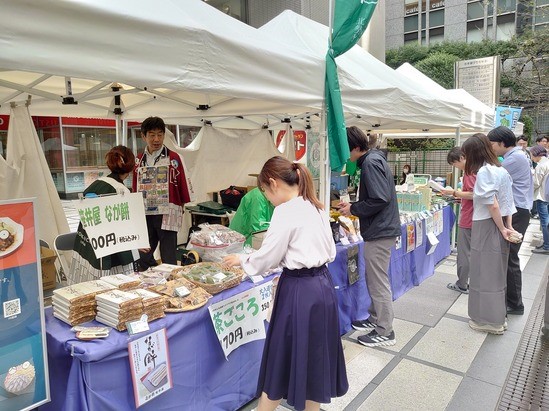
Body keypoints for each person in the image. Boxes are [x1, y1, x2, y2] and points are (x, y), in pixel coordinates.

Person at [223, 156, 348, 411]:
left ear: (273, 184)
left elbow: (268, 257)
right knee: (314, 361)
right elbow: (329, 251)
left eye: (266, 193)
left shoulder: (285, 211)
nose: (268, 199)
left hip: (298, 291)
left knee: (280, 358)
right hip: (323, 286)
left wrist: (242, 259)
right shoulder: (315, 205)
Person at [339, 126, 401, 347]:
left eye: (345, 148)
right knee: (376, 278)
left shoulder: (371, 163)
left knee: (377, 281)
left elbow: (379, 198)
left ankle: (385, 330)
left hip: (380, 230)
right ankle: (375, 319)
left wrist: (354, 209)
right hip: (381, 229)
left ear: (355, 147)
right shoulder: (373, 159)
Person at [462, 133, 518, 334]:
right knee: (496, 274)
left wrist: (503, 228)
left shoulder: (485, 172)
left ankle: (488, 321)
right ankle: (497, 318)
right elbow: (508, 203)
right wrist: (507, 226)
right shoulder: (500, 170)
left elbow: (492, 204)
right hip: (499, 224)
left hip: (487, 225)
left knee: (484, 274)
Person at [70, 146, 140, 284]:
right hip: (109, 252)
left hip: (88, 244)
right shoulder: (121, 190)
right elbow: (124, 228)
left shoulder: (98, 183)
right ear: (130, 168)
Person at [132, 116, 191, 270]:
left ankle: (170, 284)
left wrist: (181, 207)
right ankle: (149, 279)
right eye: (152, 135)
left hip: (168, 213)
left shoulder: (174, 158)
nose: (156, 139)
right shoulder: (138, 160)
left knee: (169, 255)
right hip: (145, 214)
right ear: (143, 136)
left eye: (160, 134)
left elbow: (182, 185)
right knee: (144, 253)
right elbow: (134, 188)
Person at [488, 126, 533, 316]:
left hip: (517, 211)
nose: (491, 149)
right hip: (518, 209)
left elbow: (492, 176)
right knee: (508, 256)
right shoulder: (516, 156)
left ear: (501, 143)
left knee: (510, 256)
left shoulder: (514, 158)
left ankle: (515, 304)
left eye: (491, 145)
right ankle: (512, 300)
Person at [440, 147, 475, 294]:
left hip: (469, 217)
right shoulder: (476, 169)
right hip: (473, 215)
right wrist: (459, 198)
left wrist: (454, 192)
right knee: (469, 252)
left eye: (454, 164)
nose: (455, 167)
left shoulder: (470, 171)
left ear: (461, 157)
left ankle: (462, 284)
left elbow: (474, 194)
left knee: (464, 253)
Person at [530, 145, 549, 254]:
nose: (531, 157)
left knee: (544, 222)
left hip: (541, 196)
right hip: (547, 195)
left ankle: (546, 246)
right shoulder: (547, 162)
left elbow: (536, 183)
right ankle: (546, 243)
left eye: (532, 155)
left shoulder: (541, 166)